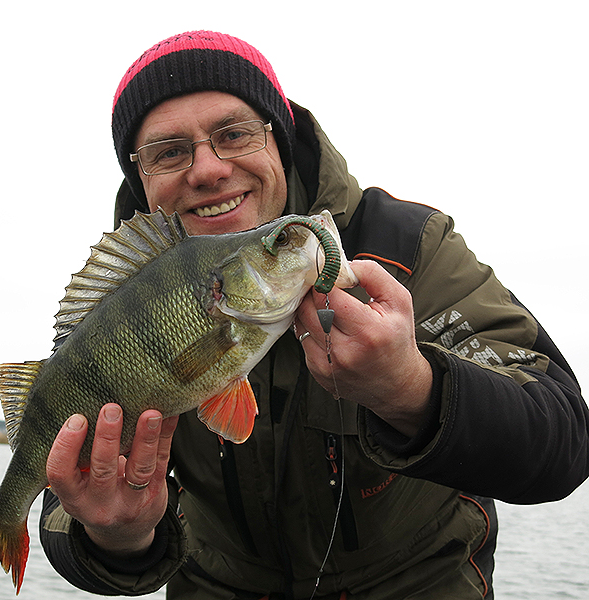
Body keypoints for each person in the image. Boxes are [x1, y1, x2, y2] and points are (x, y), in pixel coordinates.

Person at [38, 31, 589, 599]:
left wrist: (410, 389)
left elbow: (563, 441)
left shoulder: (406, 247)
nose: (207, 169)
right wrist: (117, 538)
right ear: (140, 178)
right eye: (169, 151)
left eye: (233, 133)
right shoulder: (121, 303)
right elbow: (60, 500)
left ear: (280, 138)